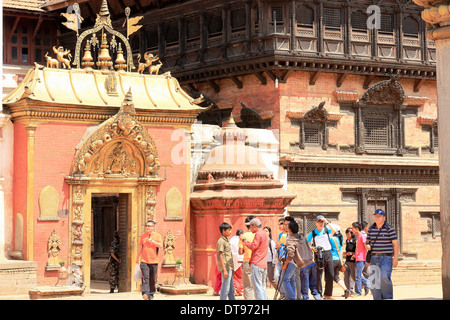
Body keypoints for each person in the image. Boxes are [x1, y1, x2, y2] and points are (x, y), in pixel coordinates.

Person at [366, 209, 399, 300]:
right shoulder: (371, 229)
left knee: (384, 277)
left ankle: (387, 298)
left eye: (379, 216)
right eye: (375, 216)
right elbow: (368, 242)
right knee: (374, 280)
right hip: (374, 257)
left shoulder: (389, 228)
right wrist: (367, 246)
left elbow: (395, 243)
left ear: (384, 218)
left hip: (386, 258)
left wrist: (395, 258)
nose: (377, 218)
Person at [307, 215, 336, 299]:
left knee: (330, 274)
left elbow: (334, 230)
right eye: (319, 221)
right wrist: (312, 248)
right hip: (318, 254)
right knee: (318, 275)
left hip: (328, 253)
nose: (321, 223)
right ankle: (318, 294)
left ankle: (328, 294)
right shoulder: (312, 233)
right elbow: (307, 244)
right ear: (316, 223)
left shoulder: (327, 230)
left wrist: (327, 222)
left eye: (322, 221)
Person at [241, 218, 268, 300]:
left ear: (254, 226)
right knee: (262, 287)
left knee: (257, 288)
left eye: (250, 226)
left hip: (257, 263)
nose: (250, 228)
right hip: (263, 264)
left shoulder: (258, 234)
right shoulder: (265, 233)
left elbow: (253, 246)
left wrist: (244, 241)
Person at [136, 220, 163, 300]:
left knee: (152, 279)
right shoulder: (143, 236)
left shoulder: (157, 235)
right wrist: (137, 258)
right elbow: (140, 247)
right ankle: (145, 294)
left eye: (148, 226)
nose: (147, 227)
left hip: (154, 261)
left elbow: (160, 245)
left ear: (153, 227)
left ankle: (151, 294)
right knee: (145, 278)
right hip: (144, 261)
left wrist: (152, 241)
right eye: (146, 226)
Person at [216, 222, 235, 300]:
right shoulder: (221, 241)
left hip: (229, 267)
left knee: (231, 289)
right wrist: (224, 270)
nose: (230, 232)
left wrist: (232, 268)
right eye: (229, 230)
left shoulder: (226, 240)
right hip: (226, 268)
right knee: (225, 289)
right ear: (223, 231)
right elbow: (220, 256)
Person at [329, 230, 351, 299]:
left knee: (328, 278)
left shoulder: (332, 239)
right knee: (336, 277)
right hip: (338, 260)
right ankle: (346, 290)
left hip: (332, 260)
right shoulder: (340, 240)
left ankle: (328, 294)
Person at [239, 216, 255, 300]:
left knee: (247, 285)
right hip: (258, 262)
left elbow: (240, 252)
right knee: (258, 285)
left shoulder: (243, 236)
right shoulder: (258, 235)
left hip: (247, 261)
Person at [352, 222, 370, 296]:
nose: (352, 230)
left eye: (353, 228)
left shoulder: (362, 236)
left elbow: (366, 247)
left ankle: (358, 292)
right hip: (358, 257)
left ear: (356, 229)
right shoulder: (358, 236)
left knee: (357, 276)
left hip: (361, 258)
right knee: (357, 276)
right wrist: (354, 255)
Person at [230, 229, 244, 296]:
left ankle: (235, 290)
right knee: (240, 275)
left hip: (231, 259)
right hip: (239, 259)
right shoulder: (240, 240)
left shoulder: (231, 239)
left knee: (234, 276)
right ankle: (237, 289)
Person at [343, 227, 356, 295]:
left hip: (353, 261)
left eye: (349, 234)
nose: (347, 236)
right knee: (346, 276)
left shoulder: (355, 242)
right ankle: (347, 291)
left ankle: (351, 290)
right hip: (347, 261)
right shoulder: (347, 241)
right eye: (346, 234)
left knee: (352, 276)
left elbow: (357, 252)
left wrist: (350, 253)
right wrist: (345, 253)